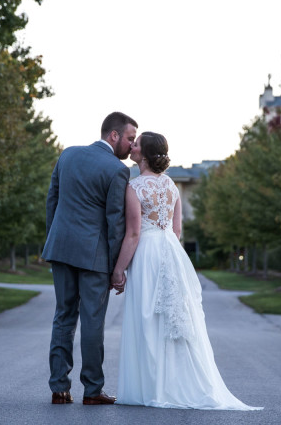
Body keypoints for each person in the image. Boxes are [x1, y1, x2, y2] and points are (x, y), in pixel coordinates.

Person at [111, 132, 262, 411]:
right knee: (173, 319)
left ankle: (150, 387)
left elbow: (133, 234)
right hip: (171, 252)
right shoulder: (171, 186)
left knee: (148, 318)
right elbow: (176, 230)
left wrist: (119, 270)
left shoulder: (134, 188)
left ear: (145, 154)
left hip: (147, 253)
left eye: (137, 143)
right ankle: (175, 385)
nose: (132, 146)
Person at [42, 112, 138, 405]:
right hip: (94, 256)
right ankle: (93, 390)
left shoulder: (67, 155)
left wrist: (54, 240)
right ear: (114, 135)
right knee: (92, 321)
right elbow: (115, 223)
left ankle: (59, 387)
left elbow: (52, 201)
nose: (132, 147)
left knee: (63, 316)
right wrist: (115, 268)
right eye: (130, 139)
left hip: (61, 248)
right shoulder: (117, 170)